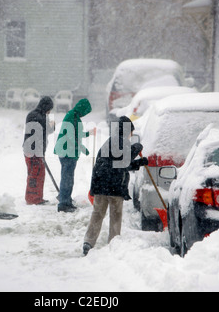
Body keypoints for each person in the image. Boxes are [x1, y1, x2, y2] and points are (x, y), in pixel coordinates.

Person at [83, 116, 148, 255]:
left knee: (97, 214)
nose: (131, 135)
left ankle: (88, 242)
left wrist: (139, 163)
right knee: (116, 215)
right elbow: (126, 158)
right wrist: (137, 147)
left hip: (101, 185)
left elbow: (120, 163)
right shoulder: (121, 142)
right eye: (131, 132)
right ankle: (113, 244)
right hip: (114, 186)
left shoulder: (111, 141)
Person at [54, 98, 93, 212]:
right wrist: (82, 148)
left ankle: (65, 199)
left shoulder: (75, 116)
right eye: (86, 111)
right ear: (82, 108)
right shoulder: (72, 116)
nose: (85, 114)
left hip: (70, 152)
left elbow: (78, 134)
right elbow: (71, 136)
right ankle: (64, 203)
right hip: (67, 152)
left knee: (68, 177)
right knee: (67, 178)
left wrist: (88, 133)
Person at [23, 96, 54, 205]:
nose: (50, 112)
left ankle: (33, 197)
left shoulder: (31, 114)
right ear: (46, 107)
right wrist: (52, 125)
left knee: (33, 173)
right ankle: (33, 199)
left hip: (28, 149)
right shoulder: (42, 117)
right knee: (37, 175)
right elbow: (47, 132)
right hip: (36, 151)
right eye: (50, 109)